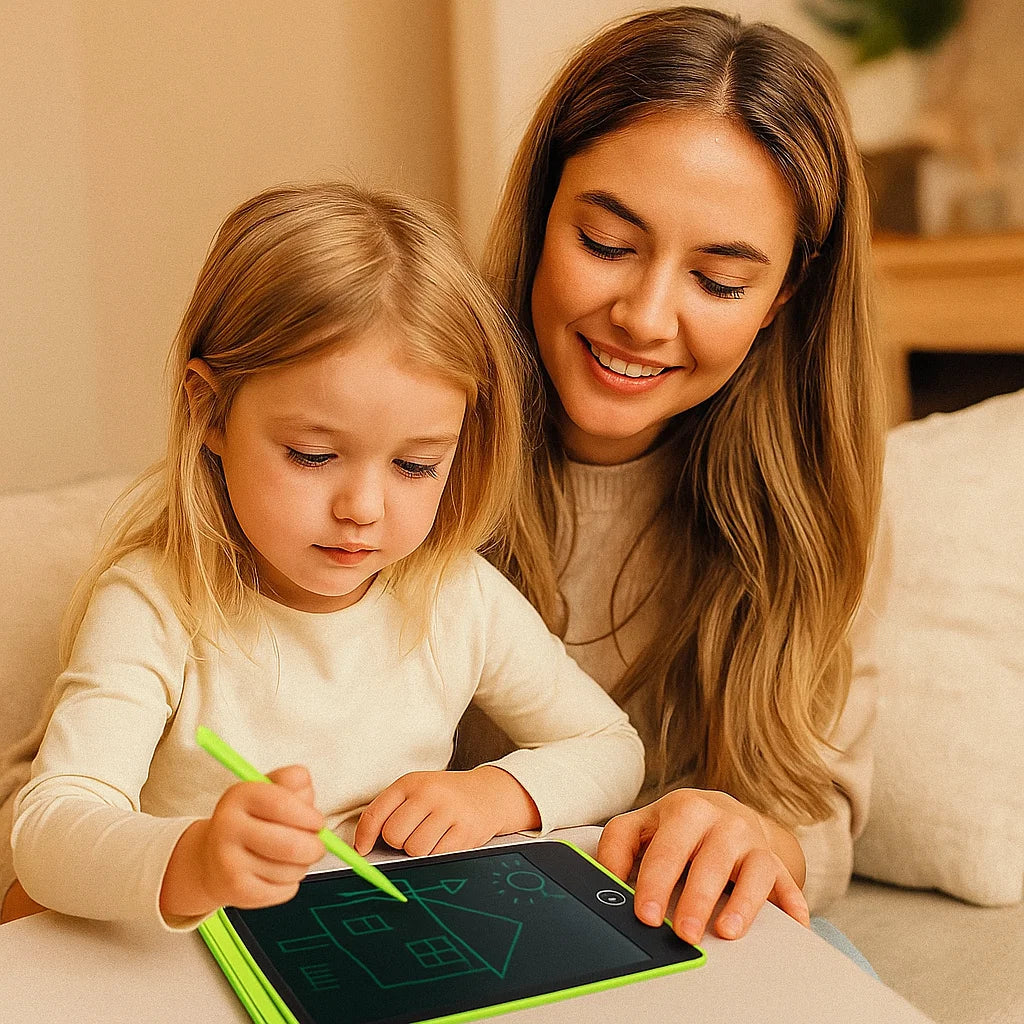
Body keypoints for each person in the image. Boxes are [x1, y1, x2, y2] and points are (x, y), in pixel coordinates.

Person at [2, 182, 644, 928]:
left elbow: (609, 746)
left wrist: (497, 793)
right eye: (312, 455)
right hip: (194, 952)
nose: (363, 511)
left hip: (365, 944)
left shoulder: (456, 595)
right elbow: (49, 830)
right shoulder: (156, 602)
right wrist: (195, 859)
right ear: (210, 411)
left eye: (414, 466)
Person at [456, 5, 886, 953]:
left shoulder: (806, 504)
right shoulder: (402, 432)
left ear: (784, 298)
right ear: (540, 216)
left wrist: (755, 837)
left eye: (720, 281)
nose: (645, 318)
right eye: (606, 244)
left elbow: (817, 811)